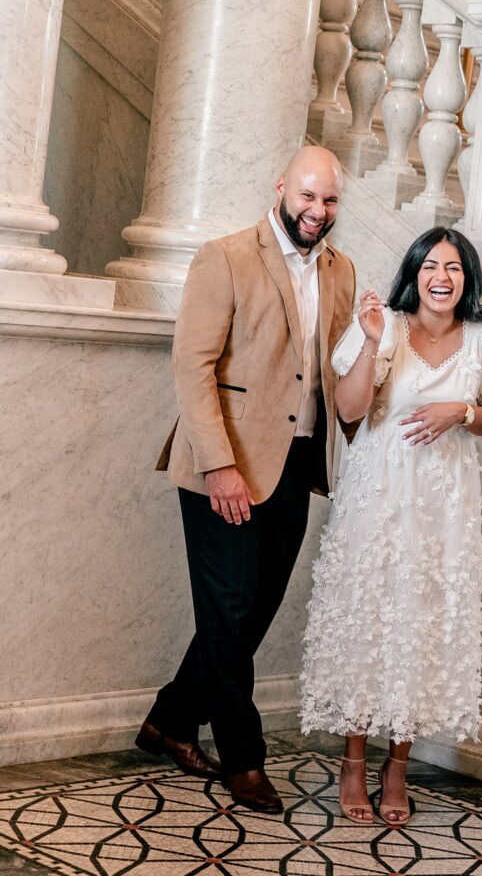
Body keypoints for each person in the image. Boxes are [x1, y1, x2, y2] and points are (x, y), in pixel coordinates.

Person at [137, 146, 355, 814]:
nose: (317, 212)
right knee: (228, 613)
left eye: (329, 201)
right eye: (308, 197)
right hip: (221, 463)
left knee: (251, 613)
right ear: (281, 187)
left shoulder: (342, 271)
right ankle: (244, 759)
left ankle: (170, 721)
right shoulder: (225, 256)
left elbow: (335, 373)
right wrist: (219, 466)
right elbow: (191, 367)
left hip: (294, 464)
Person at [300, 227, 482, 827]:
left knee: (421, 626)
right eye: (430, 266)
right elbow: (348, 410)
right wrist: (373, 344)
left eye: (453, 267)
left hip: (444, 507)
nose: (441, 277)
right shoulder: (384, 325)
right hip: (378, 497)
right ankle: (352, 761)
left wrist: (462, 411)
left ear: (467, 277)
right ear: (414, 273)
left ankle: (398, 767)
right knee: (369, 619)